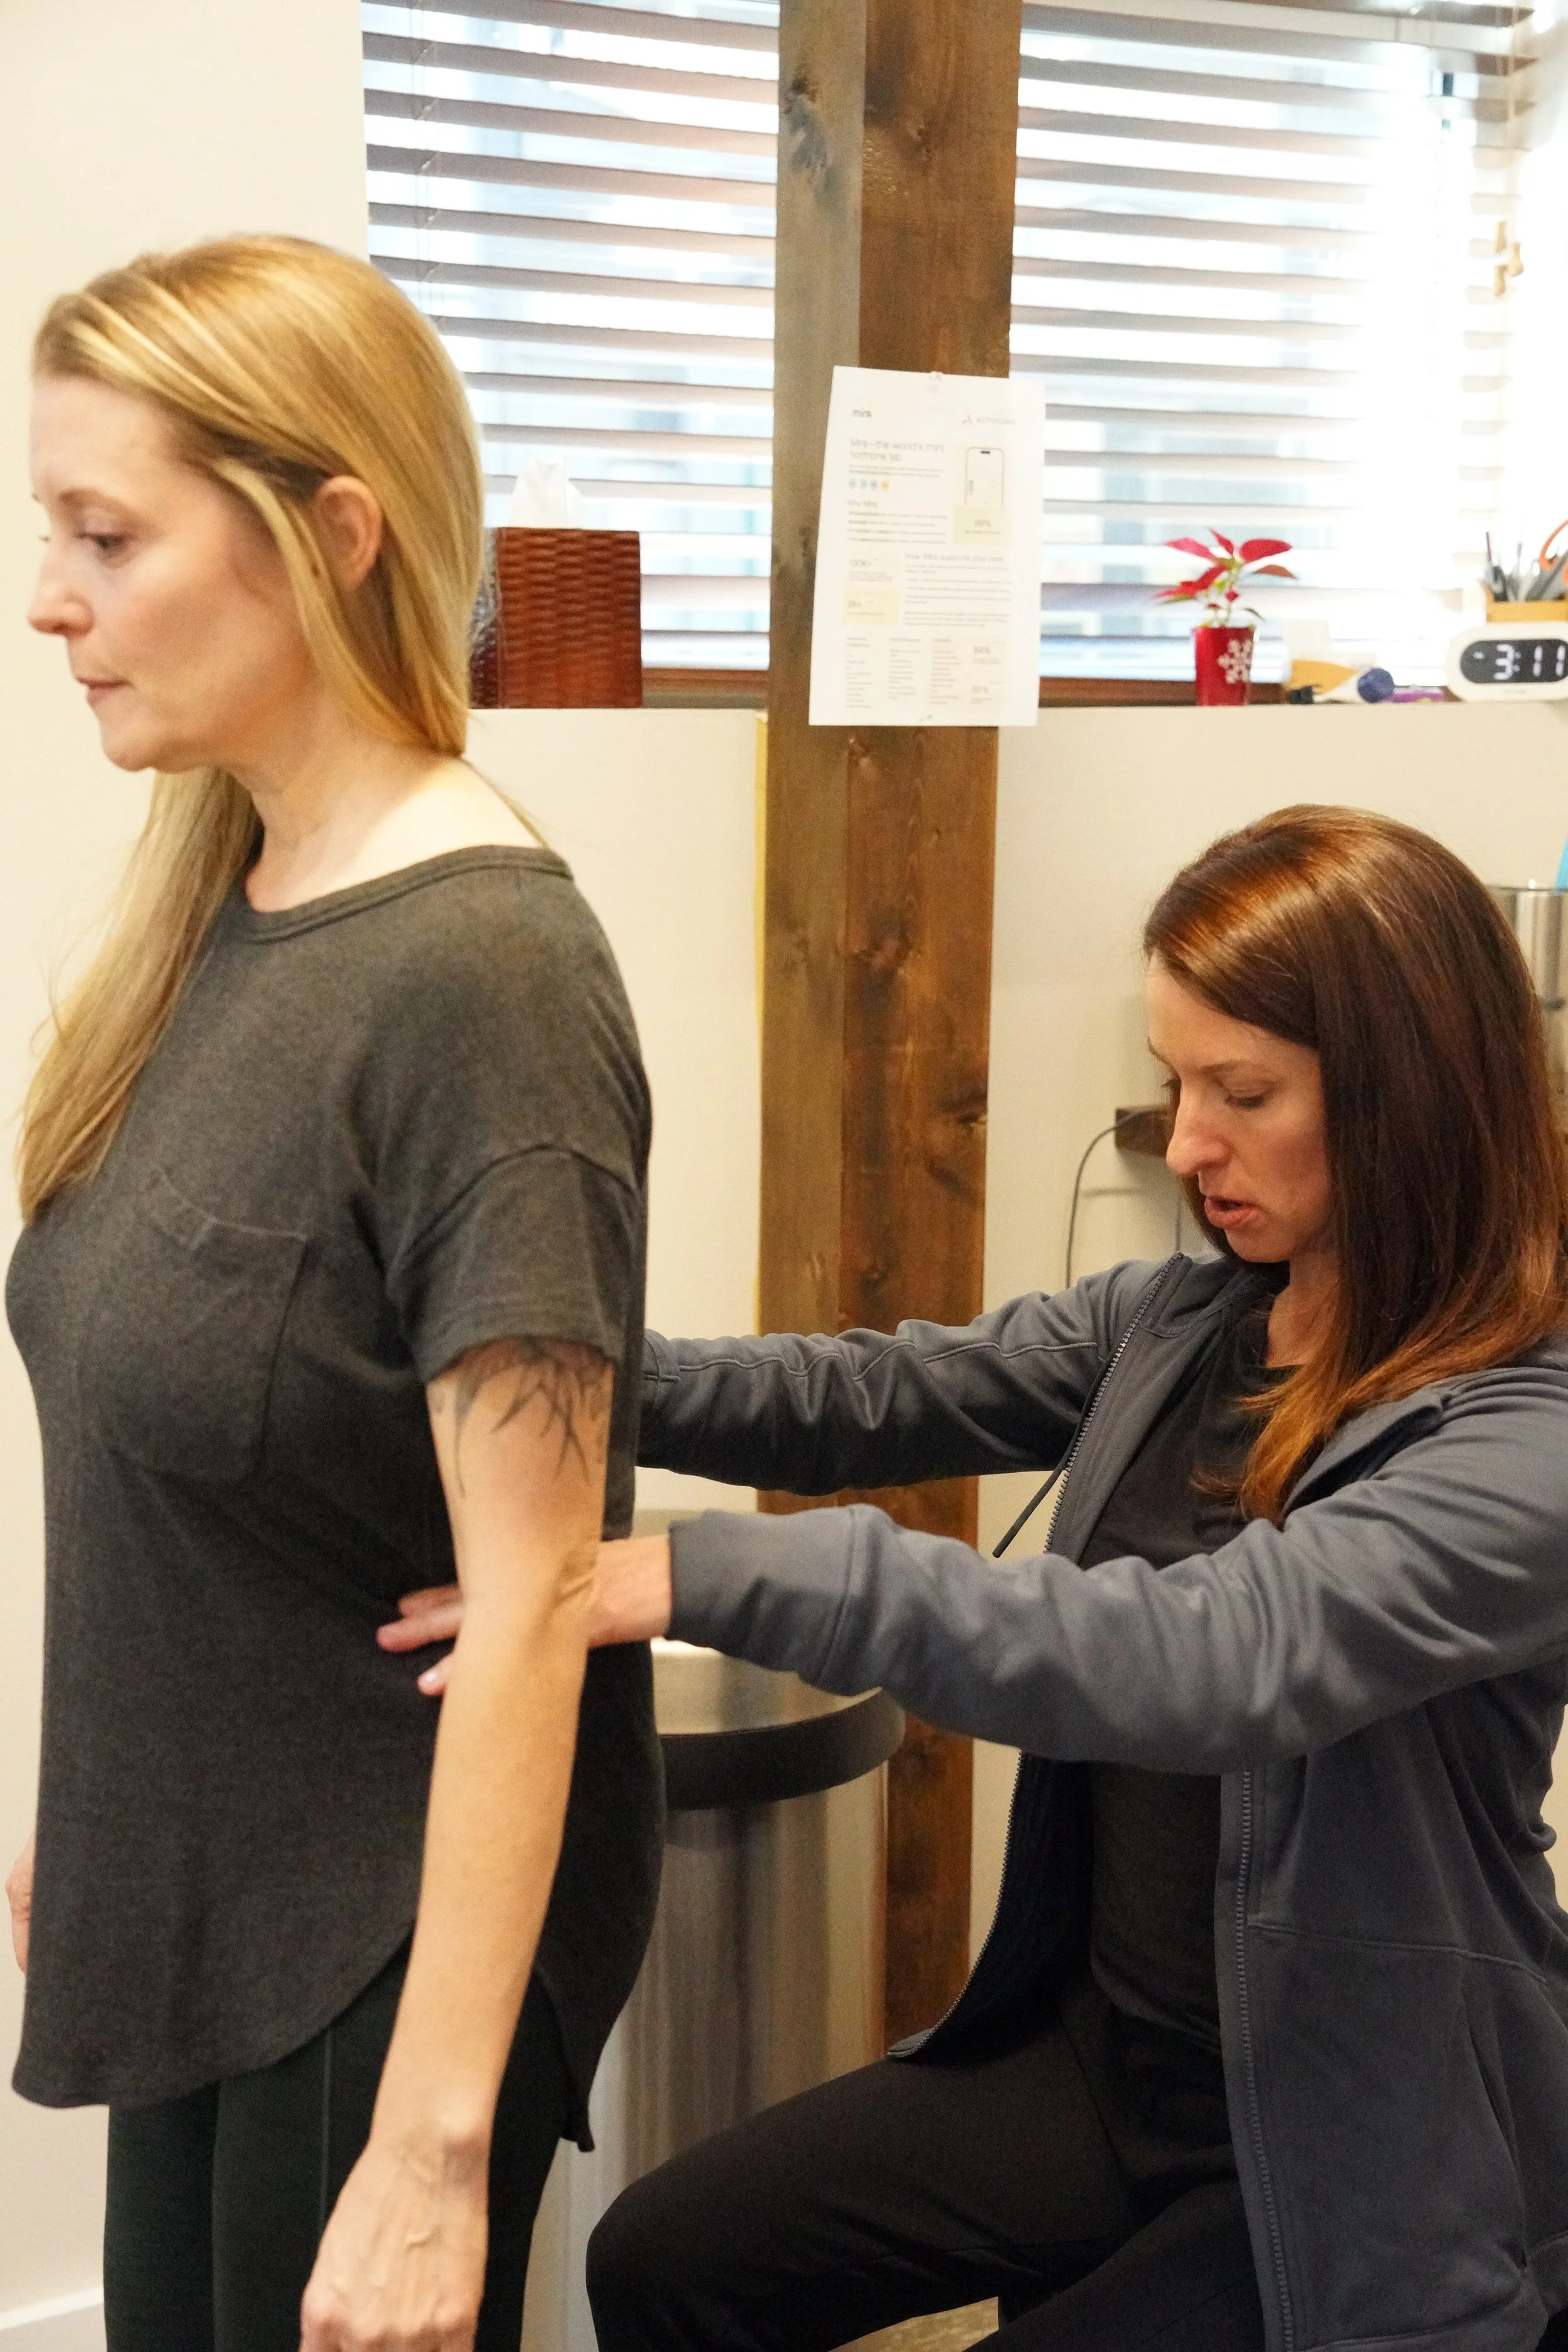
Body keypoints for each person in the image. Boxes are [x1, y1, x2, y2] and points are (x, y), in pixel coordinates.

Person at [389, 807, 1568, 2352]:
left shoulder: (1522, 1435)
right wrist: (531, 1353)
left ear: (1408, 1096)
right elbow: (860, 1395)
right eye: (1172, 1084)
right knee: (666, 2263)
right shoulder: (1183, 1321)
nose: (1186, 1144)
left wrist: (695, 1572)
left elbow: (1213, 1657)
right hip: (1107, 2058)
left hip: (1351, 2123)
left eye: (1242, 1093)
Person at [3, 236, 662, 2352]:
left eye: (108, 536)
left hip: (378, 1941)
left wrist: (433, 2148)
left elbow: (537, 1593)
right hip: (207, 1893)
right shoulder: (228, 905)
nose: (50, 601)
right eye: (53, 533)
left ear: (333, 535)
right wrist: (105, 1814)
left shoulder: (483, 979)